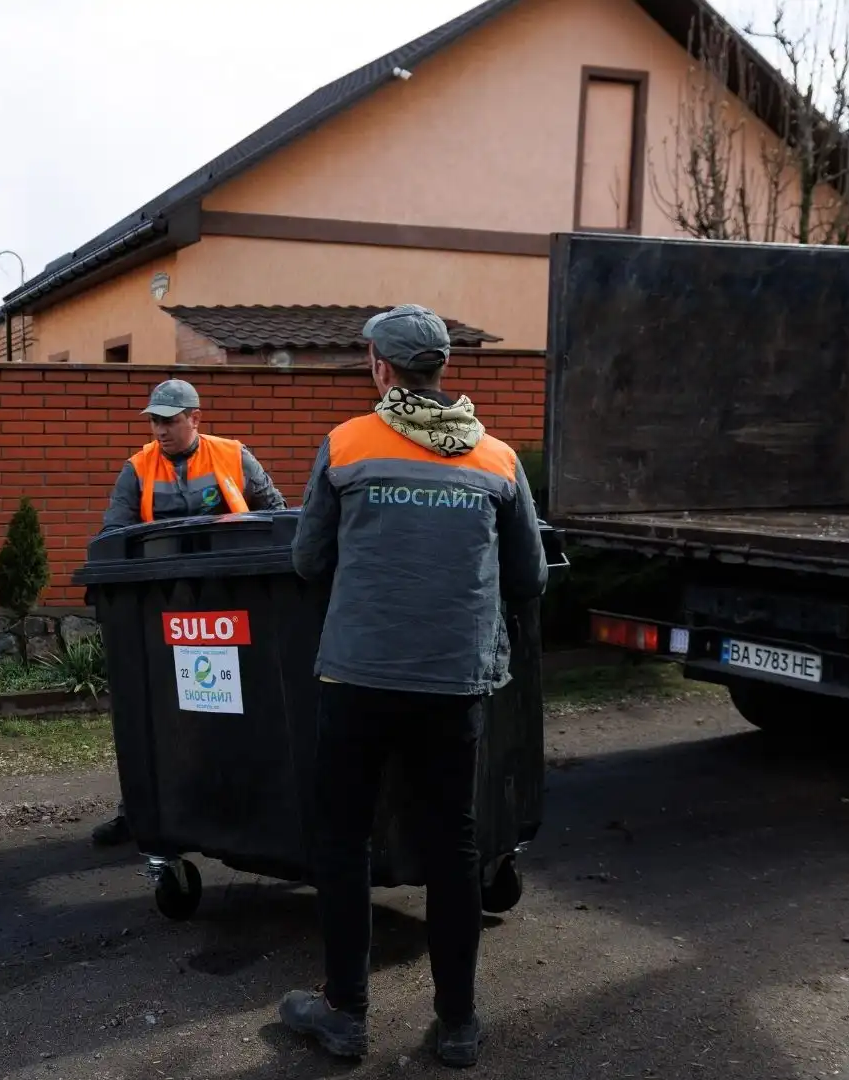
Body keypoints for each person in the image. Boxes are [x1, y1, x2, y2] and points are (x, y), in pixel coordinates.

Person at [279, 304, 547, 1067]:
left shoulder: (346, 445)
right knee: (452, 842)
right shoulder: (497, 458)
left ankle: (345, 1012)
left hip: (359, 676)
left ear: (380, 367)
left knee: (343, 837)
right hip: (453, 683)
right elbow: (529, 577)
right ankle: (457, 1023)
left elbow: (307, 560)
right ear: (443, 369)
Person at [88, 378, 287, 847]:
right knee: (161, 708)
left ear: (194, 418)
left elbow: (276, 513)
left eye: (170, 421)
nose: (160, 430)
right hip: (163, 601)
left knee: (240, 704)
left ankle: (255, 802)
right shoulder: (138, 468)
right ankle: (142, 810)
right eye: (154, 422)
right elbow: (114, 532)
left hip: (235, 596)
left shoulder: (234, 455)